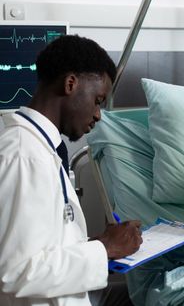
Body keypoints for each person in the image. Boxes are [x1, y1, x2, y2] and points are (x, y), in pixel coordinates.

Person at [0, 35, 143, 306]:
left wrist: (98, 243)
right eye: (98, 100)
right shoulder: (24, 156)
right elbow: (14, 272)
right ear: (70, 84)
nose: (99, 114)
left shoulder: (40, 148)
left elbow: (42, 243)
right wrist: (104, 249)